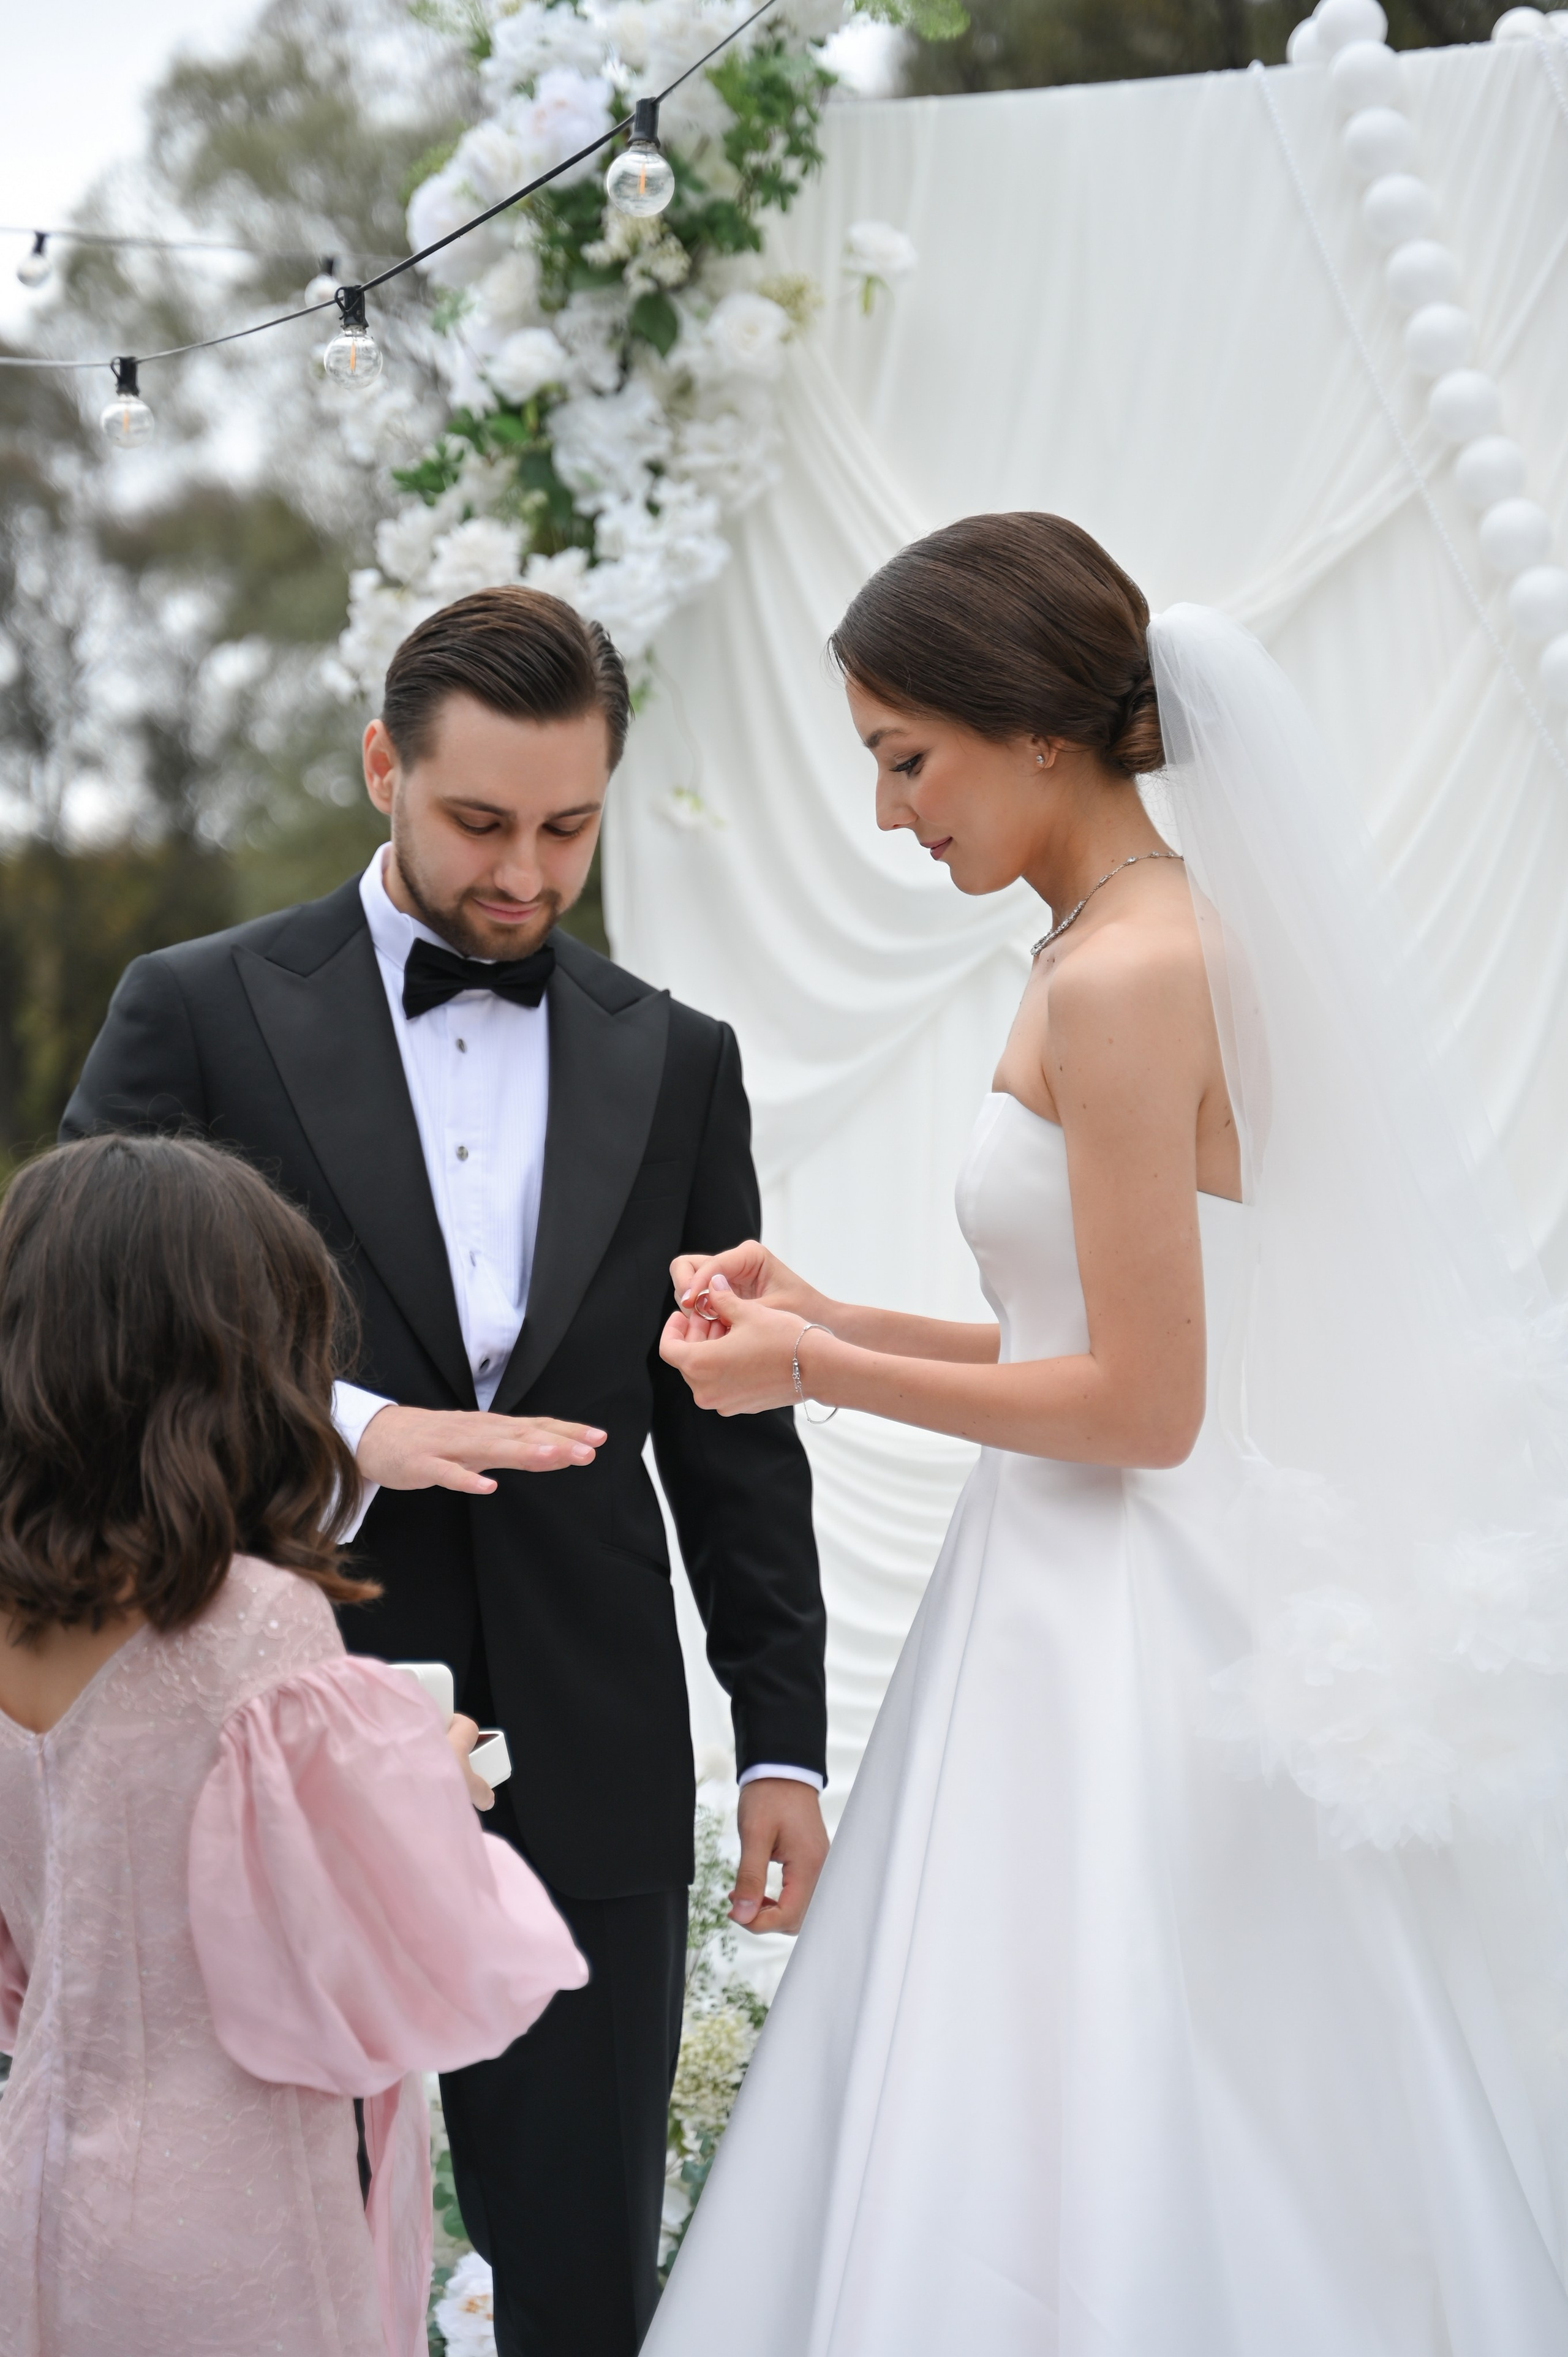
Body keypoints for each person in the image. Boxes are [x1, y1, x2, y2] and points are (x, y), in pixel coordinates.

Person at [647, 515, 1568, 2355]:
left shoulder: (1136, 970)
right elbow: (1068, 1335)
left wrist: (809, 1382)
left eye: (907, 759)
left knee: (1118, 2072)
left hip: (1132, 1610)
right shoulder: (1097, 940)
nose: (895, 813)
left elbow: (1145, 1411)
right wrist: (825, 1313)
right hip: (1058, 1583)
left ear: (1035, 730)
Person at [59, 586, 829, 2357]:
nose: (527, 875)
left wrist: (779, 1731)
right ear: (381, 767)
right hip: (271, 1713)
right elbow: (81, 1335)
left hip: (597, 1732)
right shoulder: (194, 1008)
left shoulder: (678, 1059)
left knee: (581, 2281)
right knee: (280, 2261)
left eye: (570, 827)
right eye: (482, 821)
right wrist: (345, 1428)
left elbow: (736, 1424)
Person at [0, 1133, 587, 2357]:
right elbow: (375, 1968)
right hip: (241, 2206)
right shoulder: (253, 1621)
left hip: (39, 2182)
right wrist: (431, 1772)